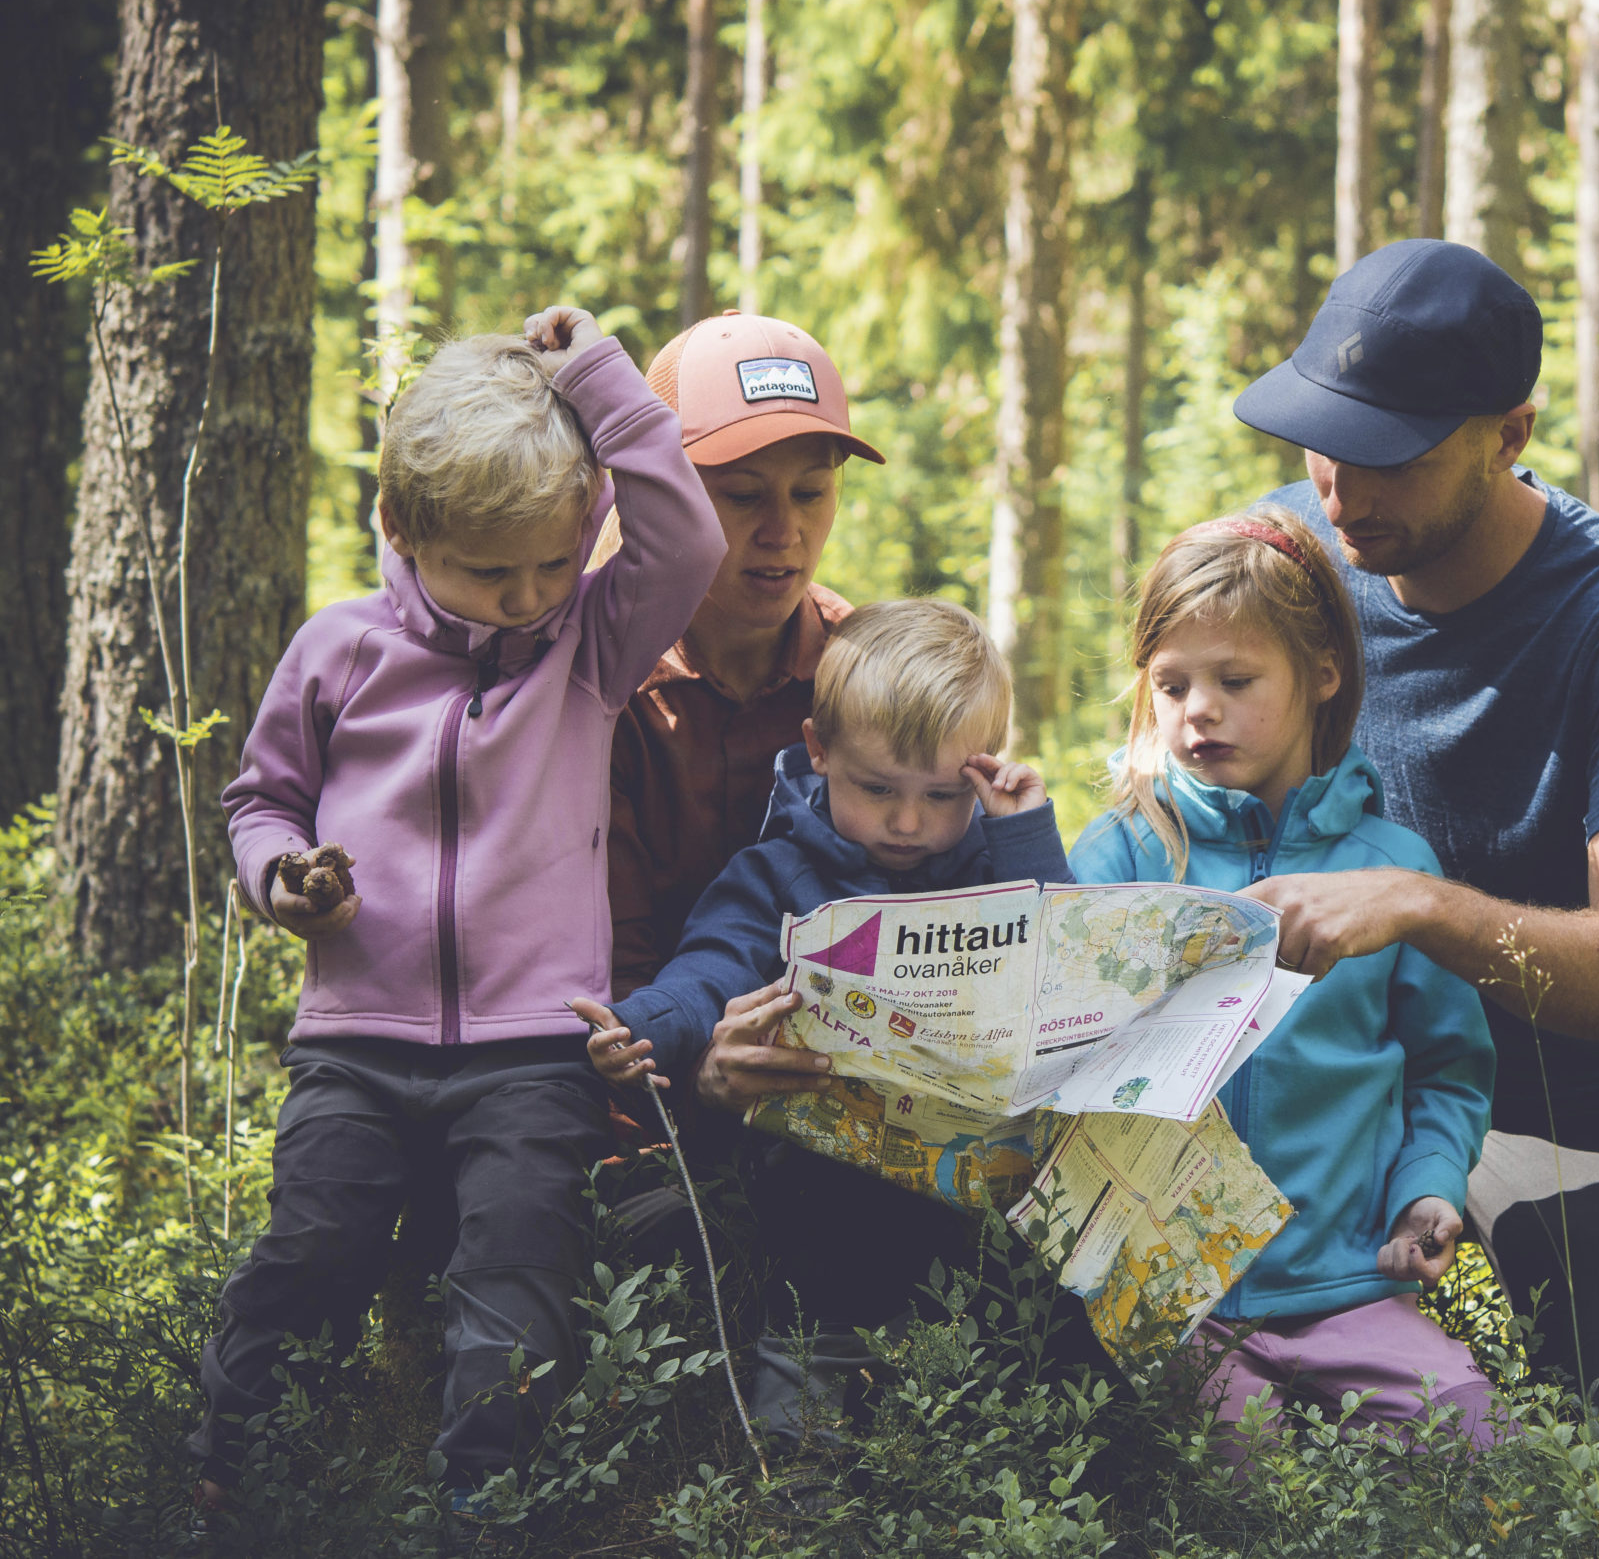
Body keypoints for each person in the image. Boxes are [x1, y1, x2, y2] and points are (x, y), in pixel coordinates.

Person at [197, 308, 725, 1508]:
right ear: (403, 527)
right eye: (493, 572)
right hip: (354, 1043)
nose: (527, 597)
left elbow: (687, 539)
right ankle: (237, 1481)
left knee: (519, 1284)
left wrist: (598, 376)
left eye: (554, 563)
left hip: (534, 1053)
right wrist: (286, 882)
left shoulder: (589, 647)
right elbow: (262, 800)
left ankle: (486, 1509)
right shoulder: (338, 651)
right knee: (310, 1252)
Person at [1238, 239, 1599, 1420]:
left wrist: (1416, 906)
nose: (1343, 493)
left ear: (1509, 435)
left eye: (1394, 458)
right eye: (1324, 442)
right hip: (1357, 1084)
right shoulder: (1277, 563)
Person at [576, 598, 1069, 1450]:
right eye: (876, 789)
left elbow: (1066, 961)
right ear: (818, 750)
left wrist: (1024, 832)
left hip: (976, 1179)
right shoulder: (778, 872)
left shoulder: (996, 865)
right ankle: (804, 1410)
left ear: (984, 770)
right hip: (821, 1178)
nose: (908, 822)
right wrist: (645, 1023)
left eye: (943, 794)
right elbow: (711, 967)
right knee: (825, 1207)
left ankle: (998, 1416)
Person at [1067, 508, 1500, 1457]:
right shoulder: (1121, 856)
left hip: (1349, 1288)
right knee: (1245, 1477)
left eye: (1235, 680)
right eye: (1171, 684)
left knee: (1483, 1447)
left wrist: (1430, 1186)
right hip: (1174, 1300)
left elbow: (1448, 1068)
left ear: (1322, 673)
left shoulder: (1392, 872)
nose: (1198, 709)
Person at [607, 310, 884, 998]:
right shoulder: (602, 685)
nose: (783, 531)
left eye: (810, 492)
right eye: (742, 495)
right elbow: (606, 958)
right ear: (661, 493)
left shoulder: (871, 678)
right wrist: (694, 1049)